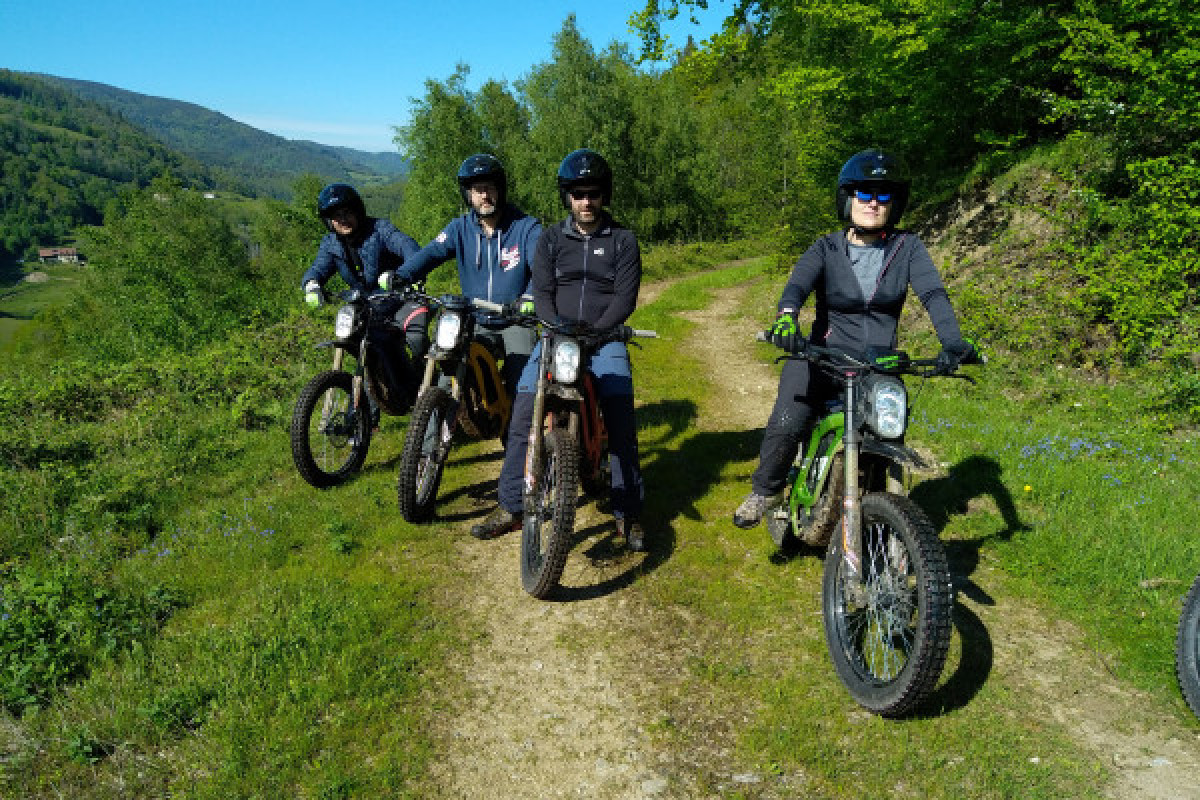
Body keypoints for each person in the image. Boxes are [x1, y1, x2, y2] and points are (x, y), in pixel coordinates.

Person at [733, 148, 976, 529]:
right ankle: (767, 489)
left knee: (889, 429)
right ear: (848, 198)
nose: (873, 203)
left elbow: (933, 294)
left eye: (883, 195)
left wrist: (953, 342)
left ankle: (887, 520)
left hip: (876, 364)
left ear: (895, 203)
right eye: (864, 193)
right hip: (819, 357)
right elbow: (797, 286)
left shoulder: (907, 248)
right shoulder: (826, 247)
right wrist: (787, 319)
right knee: (789, 419)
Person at [470, 148, 647, 551]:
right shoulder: (550, 239)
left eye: (593, 193)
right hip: (556, 337)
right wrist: (555, 328)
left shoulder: (623, 241)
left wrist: (598, 333)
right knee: (524, 409)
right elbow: (543, 291)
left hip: (605, 340)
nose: (586, 202)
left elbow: (625, 297)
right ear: (567, 196)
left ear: (604, 195)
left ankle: (628, 511)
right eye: (578, 194)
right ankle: (511, 505)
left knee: (620, 414)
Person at [391, 154, 542, 396]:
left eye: (489, 188)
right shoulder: (459, 228)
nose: (484, 195)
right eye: (477, 190)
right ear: (468, 194)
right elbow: (430, 253)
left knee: (523, 385)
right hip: (475, 319)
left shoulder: (526, 227)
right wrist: (401, 276)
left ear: (500, 189)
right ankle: (436, 417)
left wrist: (530, 296)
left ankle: (515, 418)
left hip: (516, 321)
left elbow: (541, 269)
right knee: (446, 373)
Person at [301, 182, 430, 358]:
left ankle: (424, 373)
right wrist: (312, 285)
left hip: (402, 299)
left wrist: (405, 276)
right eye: (337, 216)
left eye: (347, 212)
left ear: (358, 211)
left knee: (416, 340)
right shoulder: (331, 244)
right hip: (367, 307)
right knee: (355, 342)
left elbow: (408, 247)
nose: (343, 219)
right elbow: (318, 268)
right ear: (329, 221)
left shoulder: (380, 230)